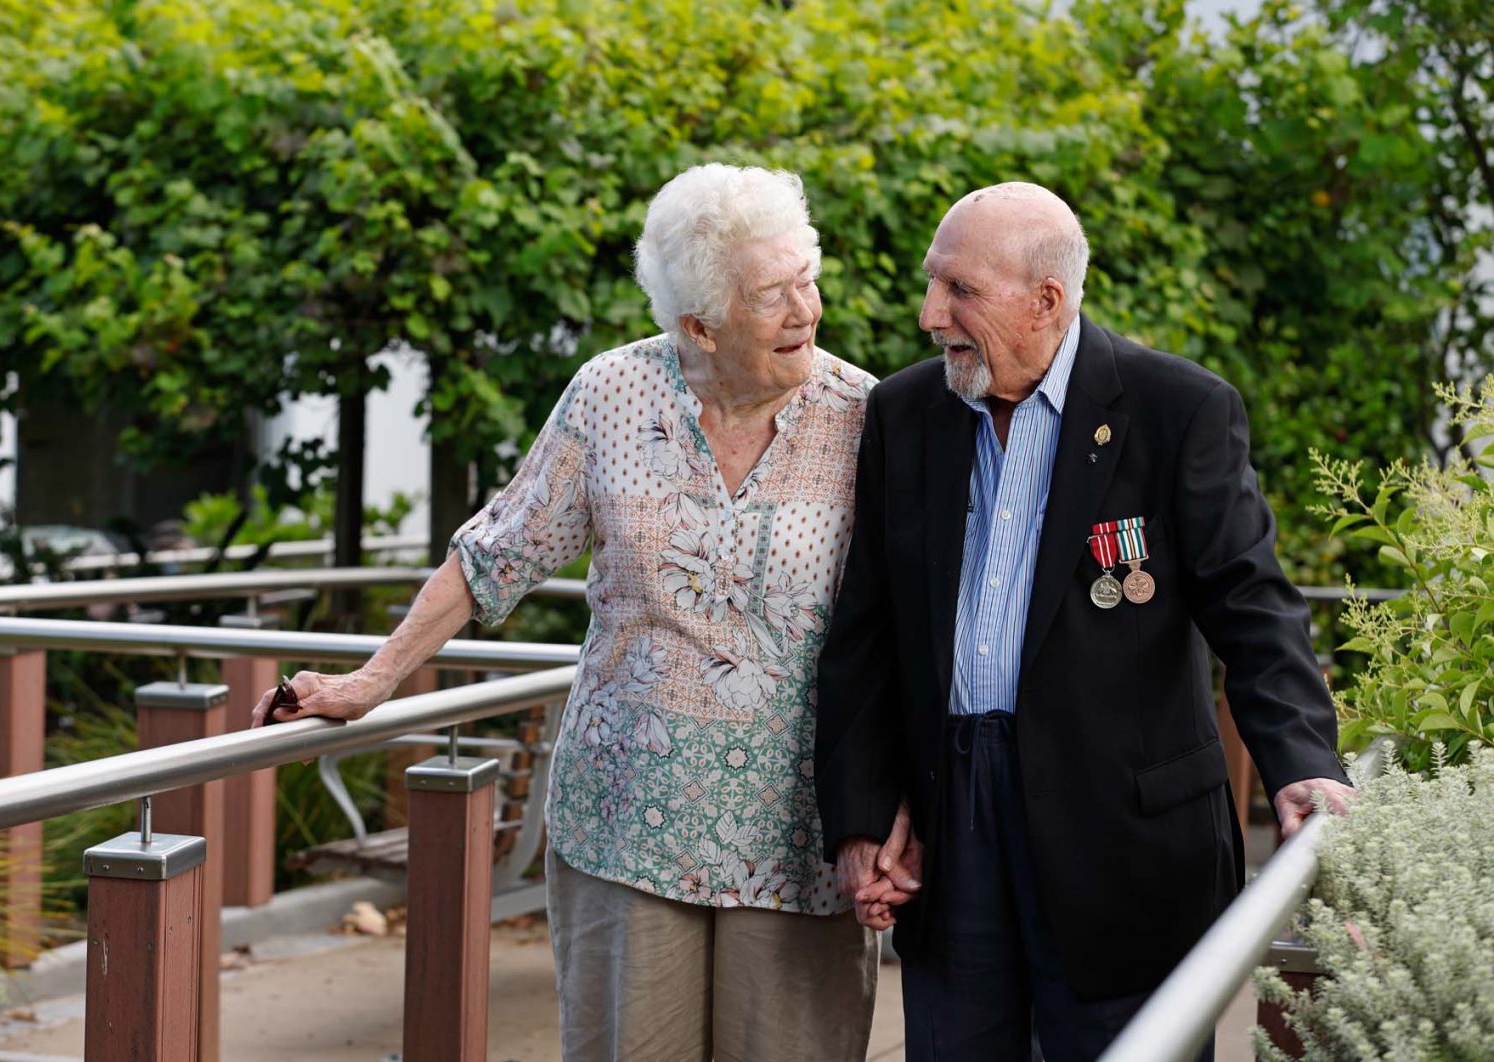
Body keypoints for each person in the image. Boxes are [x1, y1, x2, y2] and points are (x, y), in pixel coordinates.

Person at [252, 163, 887, 1061]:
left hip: (797, 834)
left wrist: (897, 803)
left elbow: (908, 626)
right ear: (697, 324)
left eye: (806, 279)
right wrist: (372, 680)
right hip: (627, 816)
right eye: (771, 295)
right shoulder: (610, 395)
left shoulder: (867, 417)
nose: (805, 310)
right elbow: (493, 552)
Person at [813, 181, 1355, 1062]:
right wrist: (862, 814)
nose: (927, 314)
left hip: (1124, 841)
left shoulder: (1176, 409)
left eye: (958, 290)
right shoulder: (904, 414)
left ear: (1047, 300)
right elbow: (864, 632)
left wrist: (1301, 762)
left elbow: (1251, 604)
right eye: (931, 283)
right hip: (956, 824)